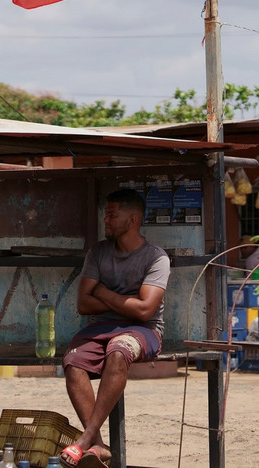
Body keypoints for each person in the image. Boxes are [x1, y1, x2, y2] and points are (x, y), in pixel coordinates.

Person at [60, 189, 170, 468]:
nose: (106, 220)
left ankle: (85, 441)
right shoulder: (98, 252)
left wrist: (105, 293)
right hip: (101, 327)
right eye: (106, 214)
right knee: (72, 360)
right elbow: (84, 304)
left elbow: (145, 311)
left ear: (132, 220)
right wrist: (125, 302)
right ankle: (98, 445)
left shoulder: (156, 258)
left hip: (144, 330)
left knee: (119, 350)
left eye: (112, 215)